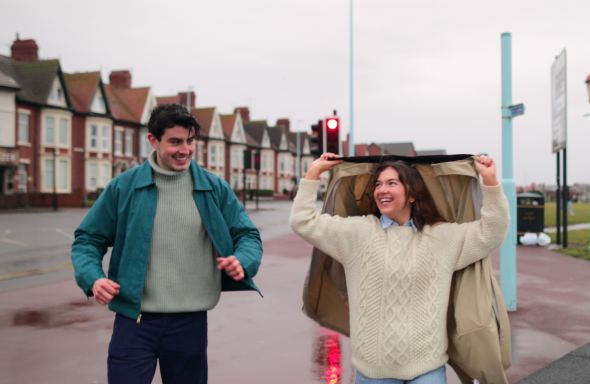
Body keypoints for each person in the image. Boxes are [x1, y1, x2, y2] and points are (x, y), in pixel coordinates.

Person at [71, 103, 263, 384]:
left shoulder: (214, 187)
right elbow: (87, 239)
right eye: (175, 142)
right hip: (133, 322)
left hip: (190, 324)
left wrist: (242, 261)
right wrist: (93, 278)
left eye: (190, 141)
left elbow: (248, 236)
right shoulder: (123, 187)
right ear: (153, 140)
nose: (184, 150)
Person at [290, 153, 510, 383]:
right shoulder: (357, 234)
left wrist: (491, 182)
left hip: (428, 369)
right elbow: (303, 221)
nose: (381, 190)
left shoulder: (442, 238)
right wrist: (313, 173)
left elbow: (491, 231)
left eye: (391, 183)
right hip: (373, 372)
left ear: (412, 194)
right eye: (378, 184)